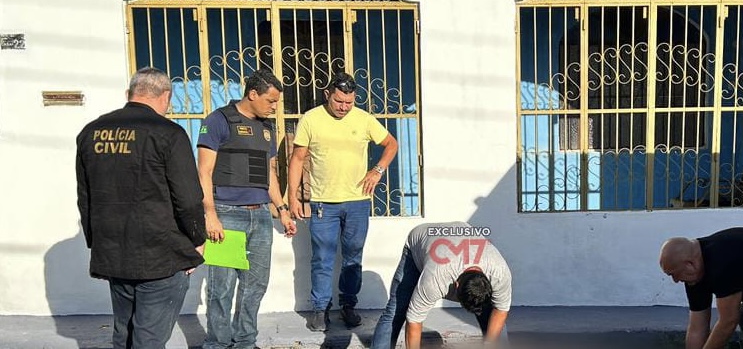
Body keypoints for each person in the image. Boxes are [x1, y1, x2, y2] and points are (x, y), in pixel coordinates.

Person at [75, 67, 207, 348]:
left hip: (114, 251)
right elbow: (188, 197)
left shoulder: (91, 132)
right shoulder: (168, 133)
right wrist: (197, 239)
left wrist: (96, 241)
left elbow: (85, 197)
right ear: (166, 97)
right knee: (149, 338)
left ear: (129, 94)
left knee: (124, 332)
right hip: (159, 253)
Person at [287, 71, 398, 331]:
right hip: (323, 203)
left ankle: (349, 305)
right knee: (321, 258)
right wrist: (292, 196)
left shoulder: (364, 119)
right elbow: (297, 159)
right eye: (339, 102)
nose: (344, 107)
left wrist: (377, 170)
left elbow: (391, 144)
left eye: (349, 102)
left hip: (358, 202)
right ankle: (319, 309)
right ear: (327, 95)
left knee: (353, 258)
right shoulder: (311, 119)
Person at [197, 69, 297, 349]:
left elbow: (270, 173)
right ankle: (217, 343)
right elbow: (204, 172)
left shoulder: (267, 128)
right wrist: (210, 214)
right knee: (222, 288)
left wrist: (283, 209)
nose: (275, 107)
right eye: (271, 100)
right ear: (252, 94)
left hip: (261, 216)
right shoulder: (219, 121)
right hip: (227, 214)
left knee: (255, 285)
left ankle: (244, 341)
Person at [371, 221, 512, 349]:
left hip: (460, 233)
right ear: (455, 285)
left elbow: (500, 310)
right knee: (397, 309)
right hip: (420, 239)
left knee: (491, 315)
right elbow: (414, 320)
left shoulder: (500, 274)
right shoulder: (436, 278)